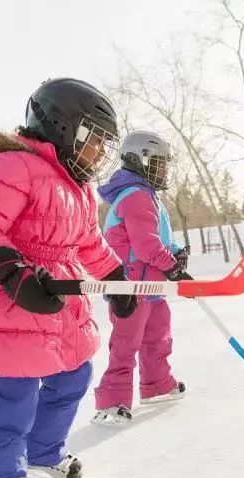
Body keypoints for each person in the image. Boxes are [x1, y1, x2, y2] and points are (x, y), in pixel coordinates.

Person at [0, 77, 138, 478]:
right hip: (11, 307)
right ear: (62, 126)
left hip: (61, 308)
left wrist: (115, 276)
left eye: (105, 145)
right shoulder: (14, 166)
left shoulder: (79, 189)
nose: (98, 153)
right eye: (93, 140)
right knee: (9, 413)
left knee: (73, 378)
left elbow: (88, 242)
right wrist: (12, 273)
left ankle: (42, 453)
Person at [91, 130, 189, 426]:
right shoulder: (135, 196)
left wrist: (176, 255)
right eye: (160, 164)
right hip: (131, 287)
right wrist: (169, 265)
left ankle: (156, 384)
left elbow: (158, 239)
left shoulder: (148, 196)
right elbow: (146, 246)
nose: (165, 170)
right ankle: (111, 403)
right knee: (126, 344)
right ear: (141, 160)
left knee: (158, 337)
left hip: (152, 286)